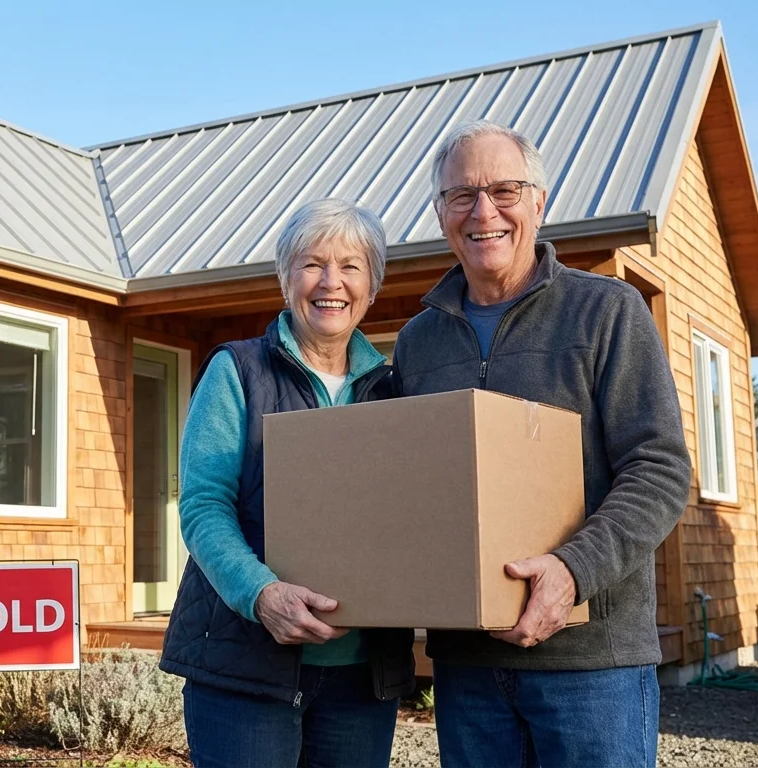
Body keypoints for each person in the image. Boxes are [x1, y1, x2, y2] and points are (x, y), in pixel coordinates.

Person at [393, 120, 692, 767]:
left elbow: (660, 469)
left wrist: (572, 572)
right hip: (467, 665)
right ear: (441, 212)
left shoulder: (608, 312)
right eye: (461, 195)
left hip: (592, 665)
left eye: (504, 190)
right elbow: (408, 488)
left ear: (539, 202)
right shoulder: (418, 343)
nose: (483, 212)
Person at [160, 199, 416, 767]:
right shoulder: (238, 370)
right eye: (311, 264)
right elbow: (204, 505)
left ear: (372, 286)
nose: (332, 282)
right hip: (245, 669)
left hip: (360, 675)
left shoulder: (392, 389)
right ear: (285, 278)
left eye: (351, 266)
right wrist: (261, 594)